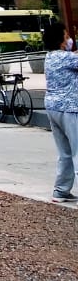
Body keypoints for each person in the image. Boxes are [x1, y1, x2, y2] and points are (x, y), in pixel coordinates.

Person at [44, 20, 78, 202]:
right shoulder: (66, 58)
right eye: (66, 36)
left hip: (52, 107)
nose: (69, 40)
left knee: (64, 152)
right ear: (60, 40)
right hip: (70, 108)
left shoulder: (50, 57)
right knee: (77, 150)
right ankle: (61, 190)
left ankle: (61, 190)